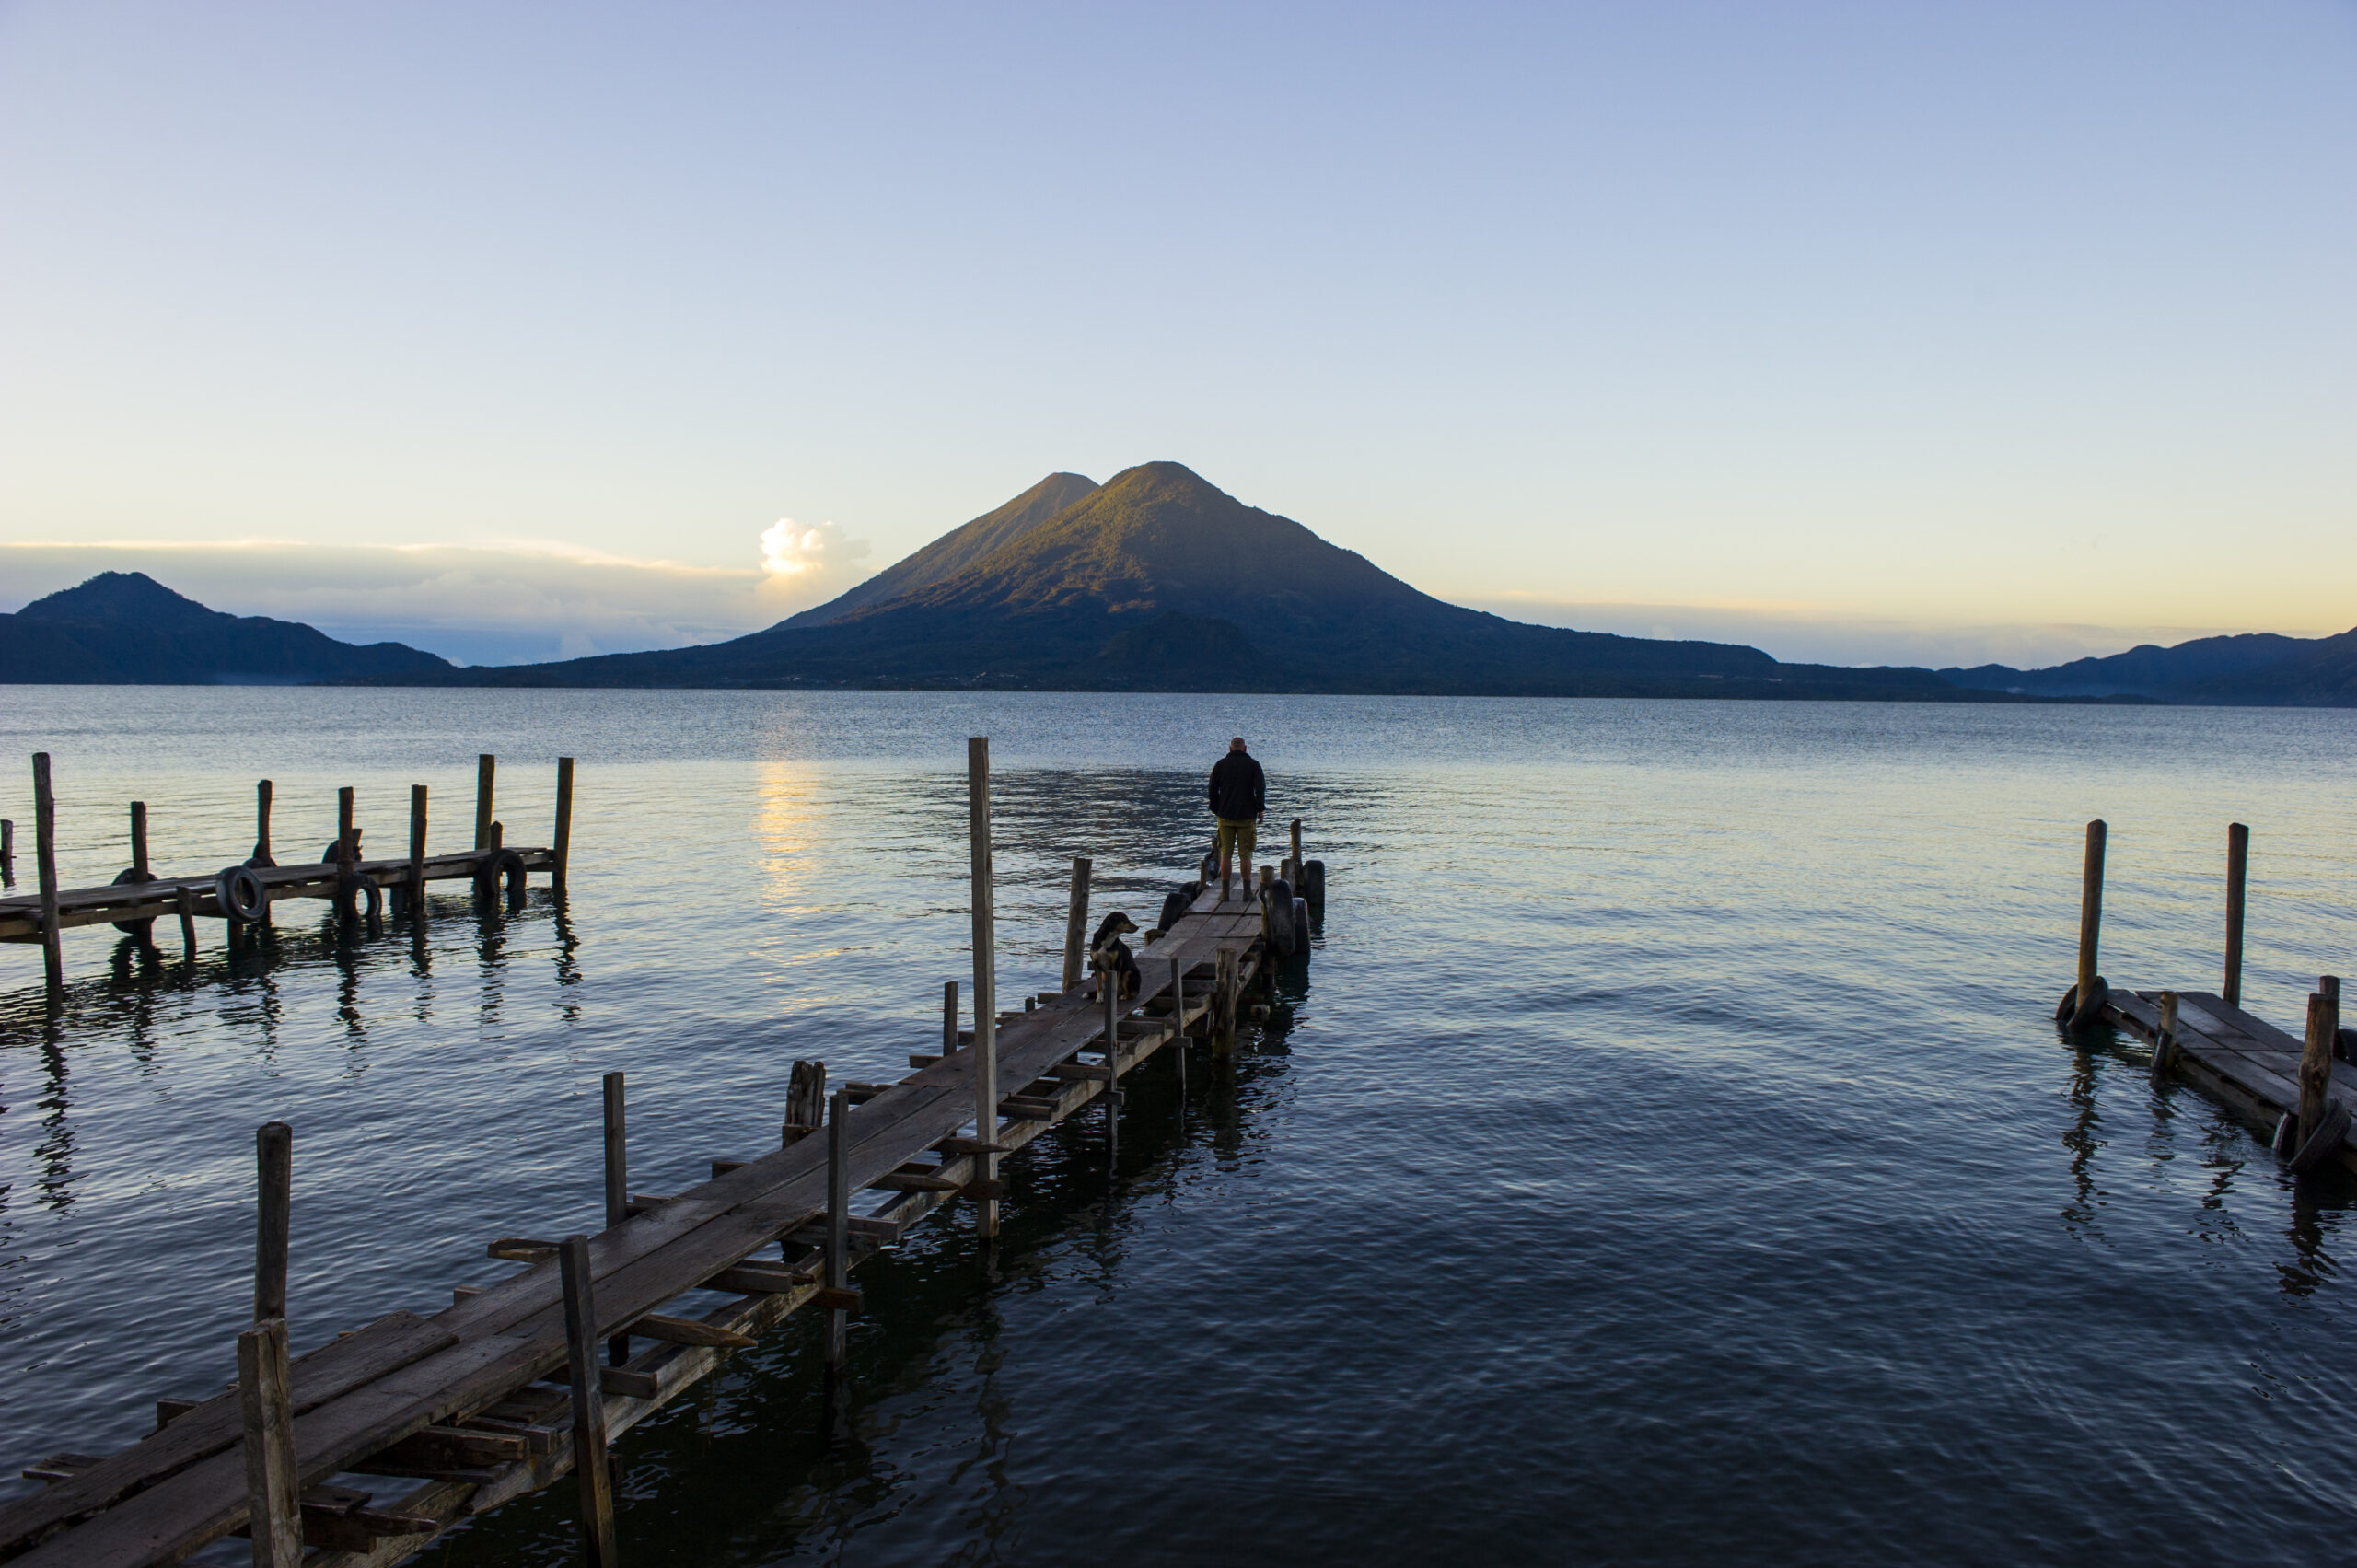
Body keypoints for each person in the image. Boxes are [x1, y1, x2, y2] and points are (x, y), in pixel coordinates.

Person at [1207, 736, 1266, 896]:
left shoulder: (1220, 765)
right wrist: (1260, 809)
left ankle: (1225, 893)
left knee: (1225, 854)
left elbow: (1212, 789)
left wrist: (1216, 808)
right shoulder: (1254, 765)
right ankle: (1247, 892)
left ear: (1230, 748)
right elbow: (1260, 790)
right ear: (1245, 748)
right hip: (1247, 816)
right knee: (1245, 855)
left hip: (1225, 815)